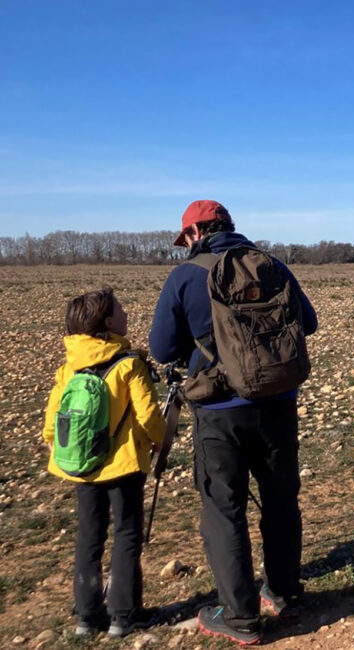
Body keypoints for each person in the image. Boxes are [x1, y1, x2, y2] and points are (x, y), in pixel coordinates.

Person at [150, 200, 318, 645]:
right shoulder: (272, 265)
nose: (182, 244)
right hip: (278, 403)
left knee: (224, 511)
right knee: (281, 501)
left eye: (183, 236)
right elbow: (310, 322)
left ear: (195, 232)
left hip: (219, 413)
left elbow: (163, 349)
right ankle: (284, 592)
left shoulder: (185, 275)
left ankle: (240, 616)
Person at [42, 288, 165, 638]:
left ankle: (86, 614)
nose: (127, 314)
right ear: (108, 322)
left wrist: (66, 452)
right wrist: (157, 442)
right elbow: (149, 418)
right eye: (121, 310)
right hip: (124, 467)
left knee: (88, 537)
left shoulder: (69, 369)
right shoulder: (129, 364)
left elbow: (52, 425)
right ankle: (124, 616)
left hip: (81, 467)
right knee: (127, 535)